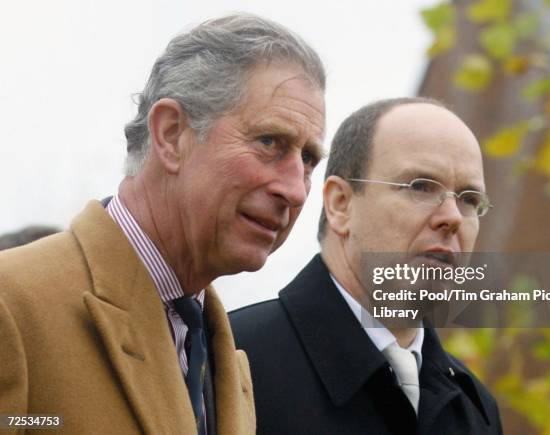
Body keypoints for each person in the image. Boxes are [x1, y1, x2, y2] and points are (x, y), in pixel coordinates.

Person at [0, 14, 325, 435]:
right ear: (171, 135)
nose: (295, 190)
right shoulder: (13, 305)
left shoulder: (225, 358)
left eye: (308, 160)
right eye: (269, 142)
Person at [230, 97, 503, 434]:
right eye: (420, 187)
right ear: (340, 203)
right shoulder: (231, 360)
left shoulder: (476, 410)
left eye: (469, 200)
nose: (452, 218)